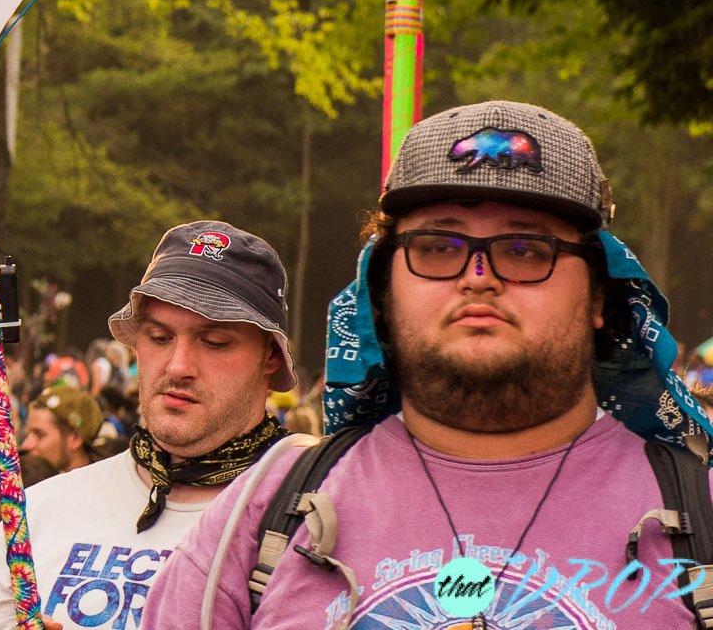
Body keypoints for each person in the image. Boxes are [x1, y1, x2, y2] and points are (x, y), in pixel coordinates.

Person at [143, 100, 713, 628]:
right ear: (383, 294)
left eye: (524, 250)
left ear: (598, 296)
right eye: (438, 247)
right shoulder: (264, 512)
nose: (479, 277)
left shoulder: (699, 514)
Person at [0, 220, 295, 630]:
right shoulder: (36, 514)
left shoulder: (312, 518)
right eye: (158, 337)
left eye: (214, 342)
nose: (178, 366)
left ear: (271, 357)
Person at [0, 385, 103, 563]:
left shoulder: (100, 493)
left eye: (39, 434)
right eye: (28, 433)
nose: (27, 444)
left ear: (73, 439)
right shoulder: (36, 481)